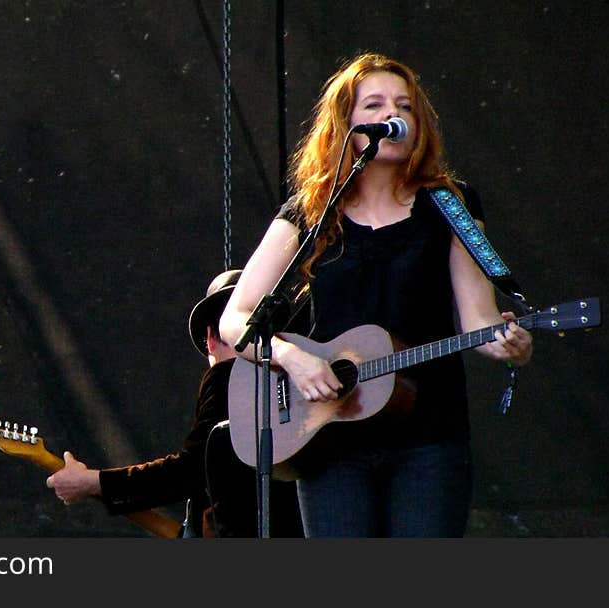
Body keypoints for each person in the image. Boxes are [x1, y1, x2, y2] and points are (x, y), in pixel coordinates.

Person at [218, 52, 533, 538]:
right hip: (329, 437)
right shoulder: (310, 212)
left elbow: (479, 321)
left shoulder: (451, 204)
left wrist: (508, 342)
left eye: (405, 106)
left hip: (429, 436)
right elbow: (235, 319)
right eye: (376, 104)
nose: (393, 115)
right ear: (347, 123)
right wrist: (292, 358)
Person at [45, 269, 304, 538]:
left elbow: (191, 469)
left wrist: (94, 482)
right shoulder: (300, 382)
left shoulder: (226, 376)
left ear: (211, 339)